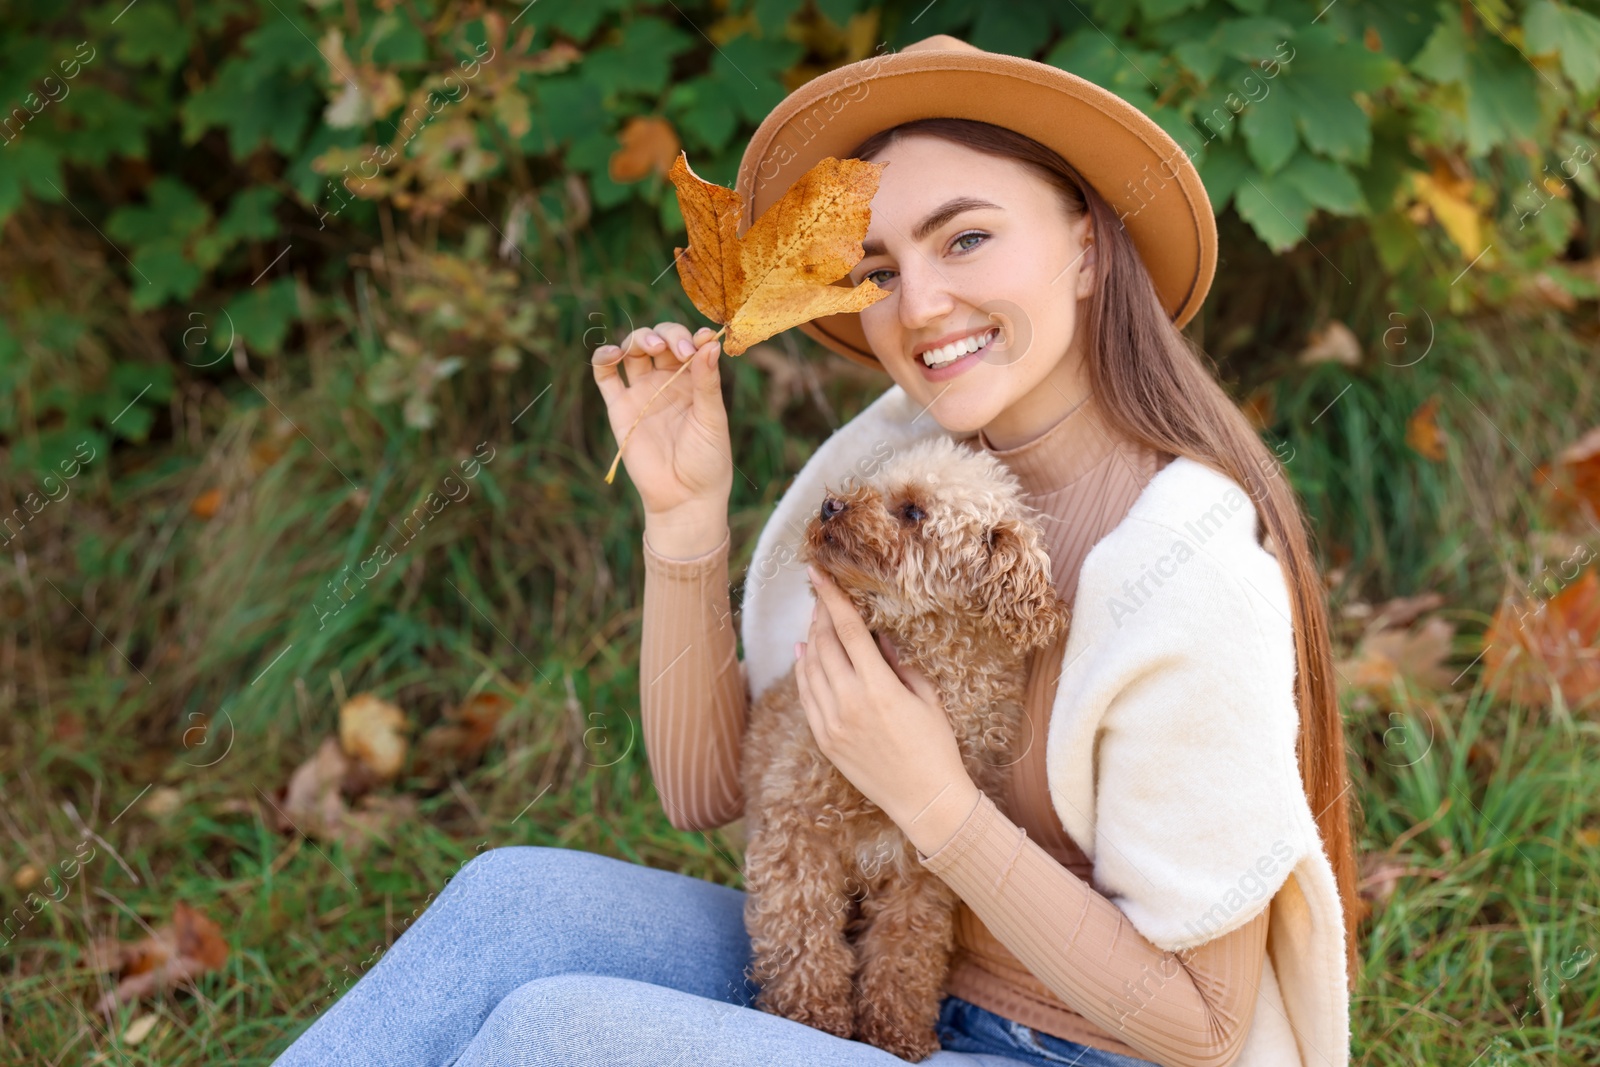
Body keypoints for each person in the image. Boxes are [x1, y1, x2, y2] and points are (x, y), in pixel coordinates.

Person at [273, 34, 1358, 1067]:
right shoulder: (891, 466)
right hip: (874, 966)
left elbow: (1209, 1031)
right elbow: (706, 789)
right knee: (511, 897)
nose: (922, 303)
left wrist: (936, 806)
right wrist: (686, 520)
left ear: (1086, 246)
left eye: (967, 237)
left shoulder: (1182, 563)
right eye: (877, 267)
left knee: (558, 1033)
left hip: (1079, 1045)